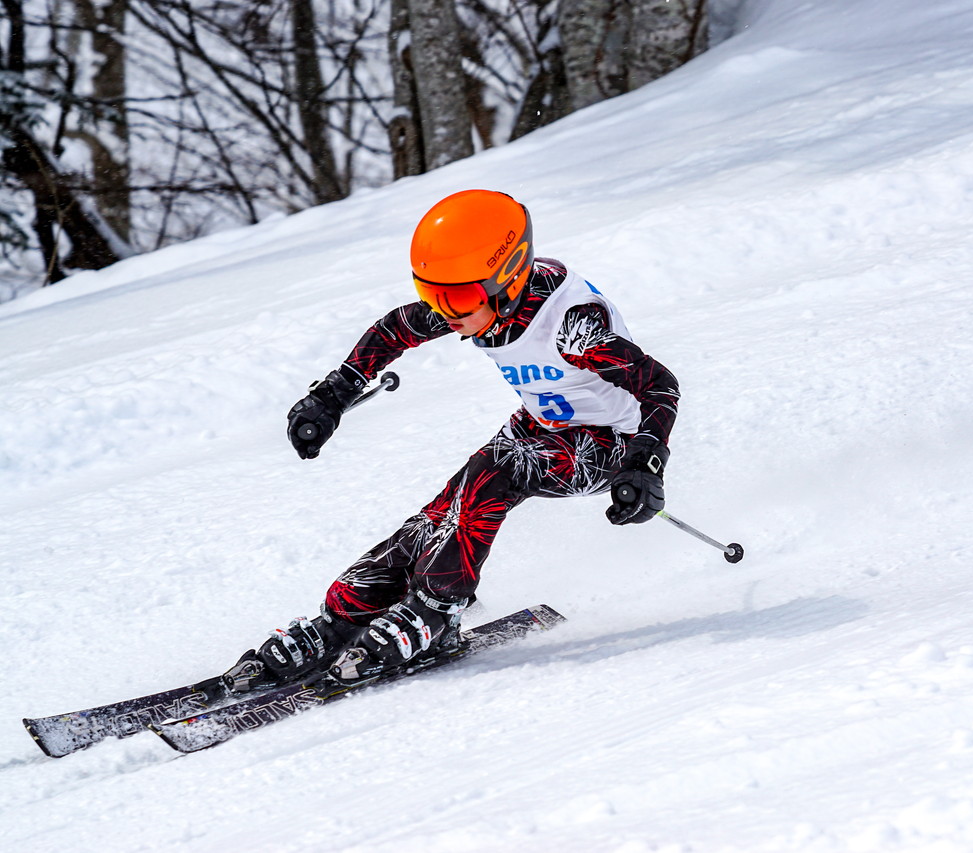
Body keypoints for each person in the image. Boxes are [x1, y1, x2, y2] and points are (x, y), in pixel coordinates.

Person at [223, 189, 679, 691]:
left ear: (508, 279)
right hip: (541, 425)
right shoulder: (480, 299)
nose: (447, 314)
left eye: (457, 299)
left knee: (492, 480)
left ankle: (437, 612)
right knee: (445, 511)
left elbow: (659, 385)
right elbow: (397, 327)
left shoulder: (574, 328)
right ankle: (344, 617)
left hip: (611, 444)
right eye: (434, 295)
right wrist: (334, 393)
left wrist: (645, 462)